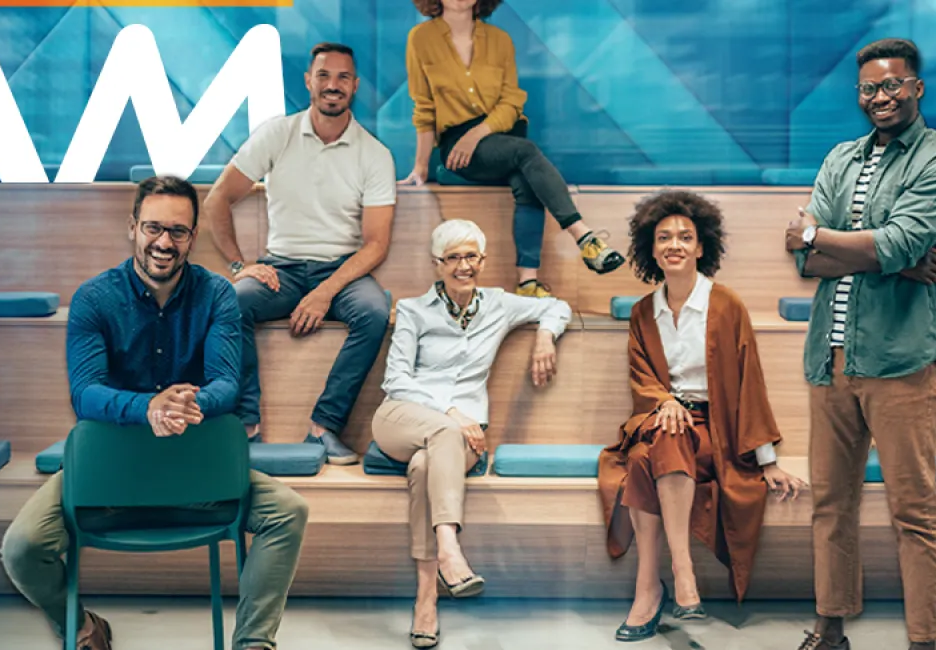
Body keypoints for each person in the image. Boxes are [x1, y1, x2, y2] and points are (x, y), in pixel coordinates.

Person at [0, 176, 309, 650]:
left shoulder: (217, 295)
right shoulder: (94, 298)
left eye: (178, 231)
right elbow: (85, 394)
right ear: (133, 228)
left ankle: (252, 644)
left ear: (193, 234)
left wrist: (184, 406)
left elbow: (227, 384)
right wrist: (147, 408)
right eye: (153, 228)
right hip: (111, 472)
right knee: (21, 548)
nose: (164, 243)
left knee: (287, 512)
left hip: (194, 467)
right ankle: (81, 628)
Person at [785, 38, 936, 650]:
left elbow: (895, 242)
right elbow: (805, 261)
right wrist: (874, 253)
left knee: (913, 512)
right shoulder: (840, 158)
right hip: (830, 361)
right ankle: (830, 628)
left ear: (916, 88)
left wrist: (829, 238)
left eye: (892, 85)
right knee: (830, 505)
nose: (880, 97)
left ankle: (921, 642)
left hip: (902, 362)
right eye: (869, 88)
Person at [599, 190, 808, 643]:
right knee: (659, 441)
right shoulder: (643, 312)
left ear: (700, 247)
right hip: (661, 422)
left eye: (685, 237)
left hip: (716, 433)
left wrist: (767, 460)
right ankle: (679, 575)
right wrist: (665, 403)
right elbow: (642, 378)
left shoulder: (726, 305)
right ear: (651, 249)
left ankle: (651, 588)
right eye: (664, 237)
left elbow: (749, 383)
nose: (674, 244)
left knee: (642, 461)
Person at [372, 219, 571, 648]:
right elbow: (396, 379)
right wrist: (450, 413)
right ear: (437, 264)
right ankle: (450, 549)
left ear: (482, 260)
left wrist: (544, 337)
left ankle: (426, 598)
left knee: (426, 468)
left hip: (459, 437)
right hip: (402, 417)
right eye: (453, 258)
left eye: (471, 257)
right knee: (440, 436)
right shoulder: (413, 309)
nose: (463, 266)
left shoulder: (499, 304)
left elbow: (557, 306)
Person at [202, 42, 396, 464]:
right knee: (232, 301)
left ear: (355, 86)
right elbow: (217, 200)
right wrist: (241, 265)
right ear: (309, 81)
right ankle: (244, 423)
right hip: (281, 268)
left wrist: (326, 290)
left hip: (342, 271)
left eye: (343, 77)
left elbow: (376, 244)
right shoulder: (278, 133)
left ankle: (324, 427)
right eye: (324, 75)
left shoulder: (375, 154)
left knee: (376, 311)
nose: (333, 85)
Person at [399, 0, 625, 299]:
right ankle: (584, 237)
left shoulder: (499, 40)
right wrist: (421, 168)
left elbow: (511, 102)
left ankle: (528, 282)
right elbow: (424, 106)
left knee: (526, 182)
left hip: (501, 134)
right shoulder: (421, 38)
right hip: (460, 146)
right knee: (526, 153)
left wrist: (478, 133)